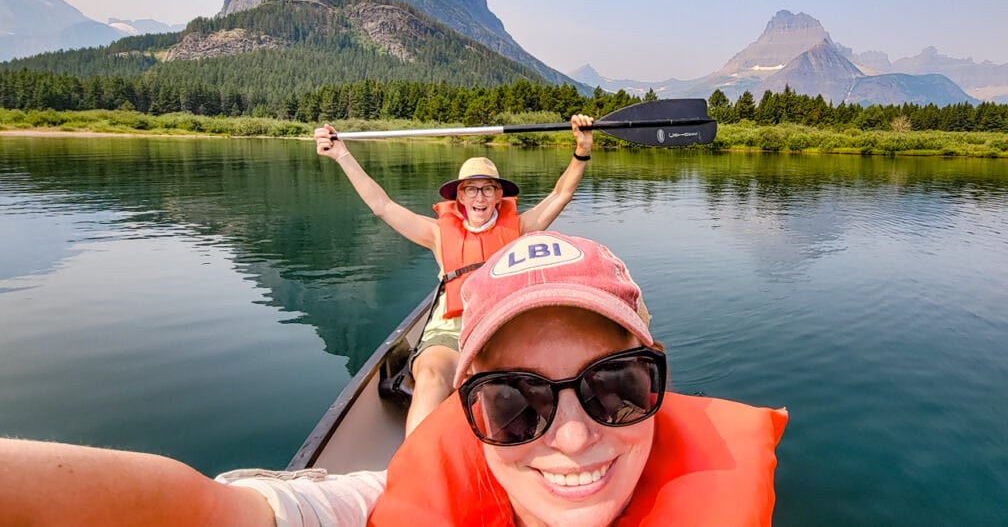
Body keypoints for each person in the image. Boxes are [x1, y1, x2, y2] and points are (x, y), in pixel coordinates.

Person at [0, 231, 788, 527]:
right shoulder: (395, 510)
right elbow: (203, 514)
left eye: (617, 384)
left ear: (659, 385)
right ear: (474, 414)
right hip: (450, 324)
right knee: (431, 361)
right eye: (517, 403)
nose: (576, 435)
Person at [313, 115, 594, 433]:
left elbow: (560, 195)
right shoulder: (436, 233)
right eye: (471, 189)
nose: (480, 197)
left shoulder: (520, 228)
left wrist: (581, 150)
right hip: (452, 328)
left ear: (499, 196)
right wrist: (342, 155)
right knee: (432, 375)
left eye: (488, 189)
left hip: (502, 325)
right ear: (459, 197)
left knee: (511, 383)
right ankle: (416, 465)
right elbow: (383, 206)